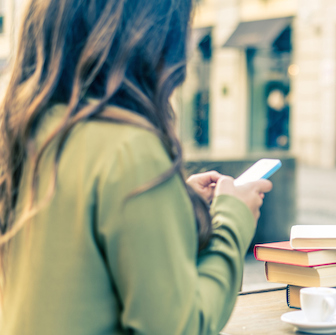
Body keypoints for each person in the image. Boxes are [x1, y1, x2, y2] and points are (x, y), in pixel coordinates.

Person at [0, 0, 271, 334]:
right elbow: (181, 326)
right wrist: (232, 220)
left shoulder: (29, 131)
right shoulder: (130, 149)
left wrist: (172, 201)